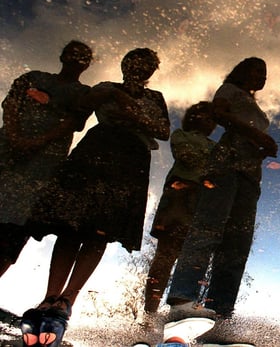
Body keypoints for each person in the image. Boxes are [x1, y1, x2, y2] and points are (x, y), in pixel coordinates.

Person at [24, 48, 170, 346]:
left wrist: (131, 112)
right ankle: (49, 298)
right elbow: (80, 107)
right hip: (96, 151)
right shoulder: (105, 87)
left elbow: (164, 131)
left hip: (131, 159)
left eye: (147, 65)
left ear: (152, 71)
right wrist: (109, 97)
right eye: (134, 63)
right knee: (70, 225)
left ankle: (67, 301)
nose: (140, 68)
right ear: (124, 64)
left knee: (101, 232)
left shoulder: (155, 98)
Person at [166, 57, 277, 328]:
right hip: (228, 158)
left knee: (238, 240)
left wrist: (261, 147)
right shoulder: (229, 91)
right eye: (256, 70)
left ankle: (221, 309)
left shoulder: (255, 106)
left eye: (265, 73)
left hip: (250, 168)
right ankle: (183, 298)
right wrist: (256, 134)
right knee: (209, 226)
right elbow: (218, 113)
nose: (261, 76)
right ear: (241, 71)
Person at [0, 40, 93, 277]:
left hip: (41, 170)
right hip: (6, 156)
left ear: (88, 65)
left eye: (83, 57)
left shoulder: (83, 93)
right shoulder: (33, 77)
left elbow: (73, 123)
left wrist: (38, 142)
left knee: (14, 229)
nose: (76, 59)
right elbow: (10, 105)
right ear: (63, 56)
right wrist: (14, 136)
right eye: (73, 54)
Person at [144, 101, 217, 313]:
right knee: (165, 254)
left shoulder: (214, 146)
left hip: (200, 201)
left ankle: (181, 306)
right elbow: (186, 156)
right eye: (204, 116)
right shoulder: (181, 135)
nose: (208, 122)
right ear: (193, 117)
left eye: (212, 119)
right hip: (178, 198)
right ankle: (150, 309)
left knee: (193, 257)